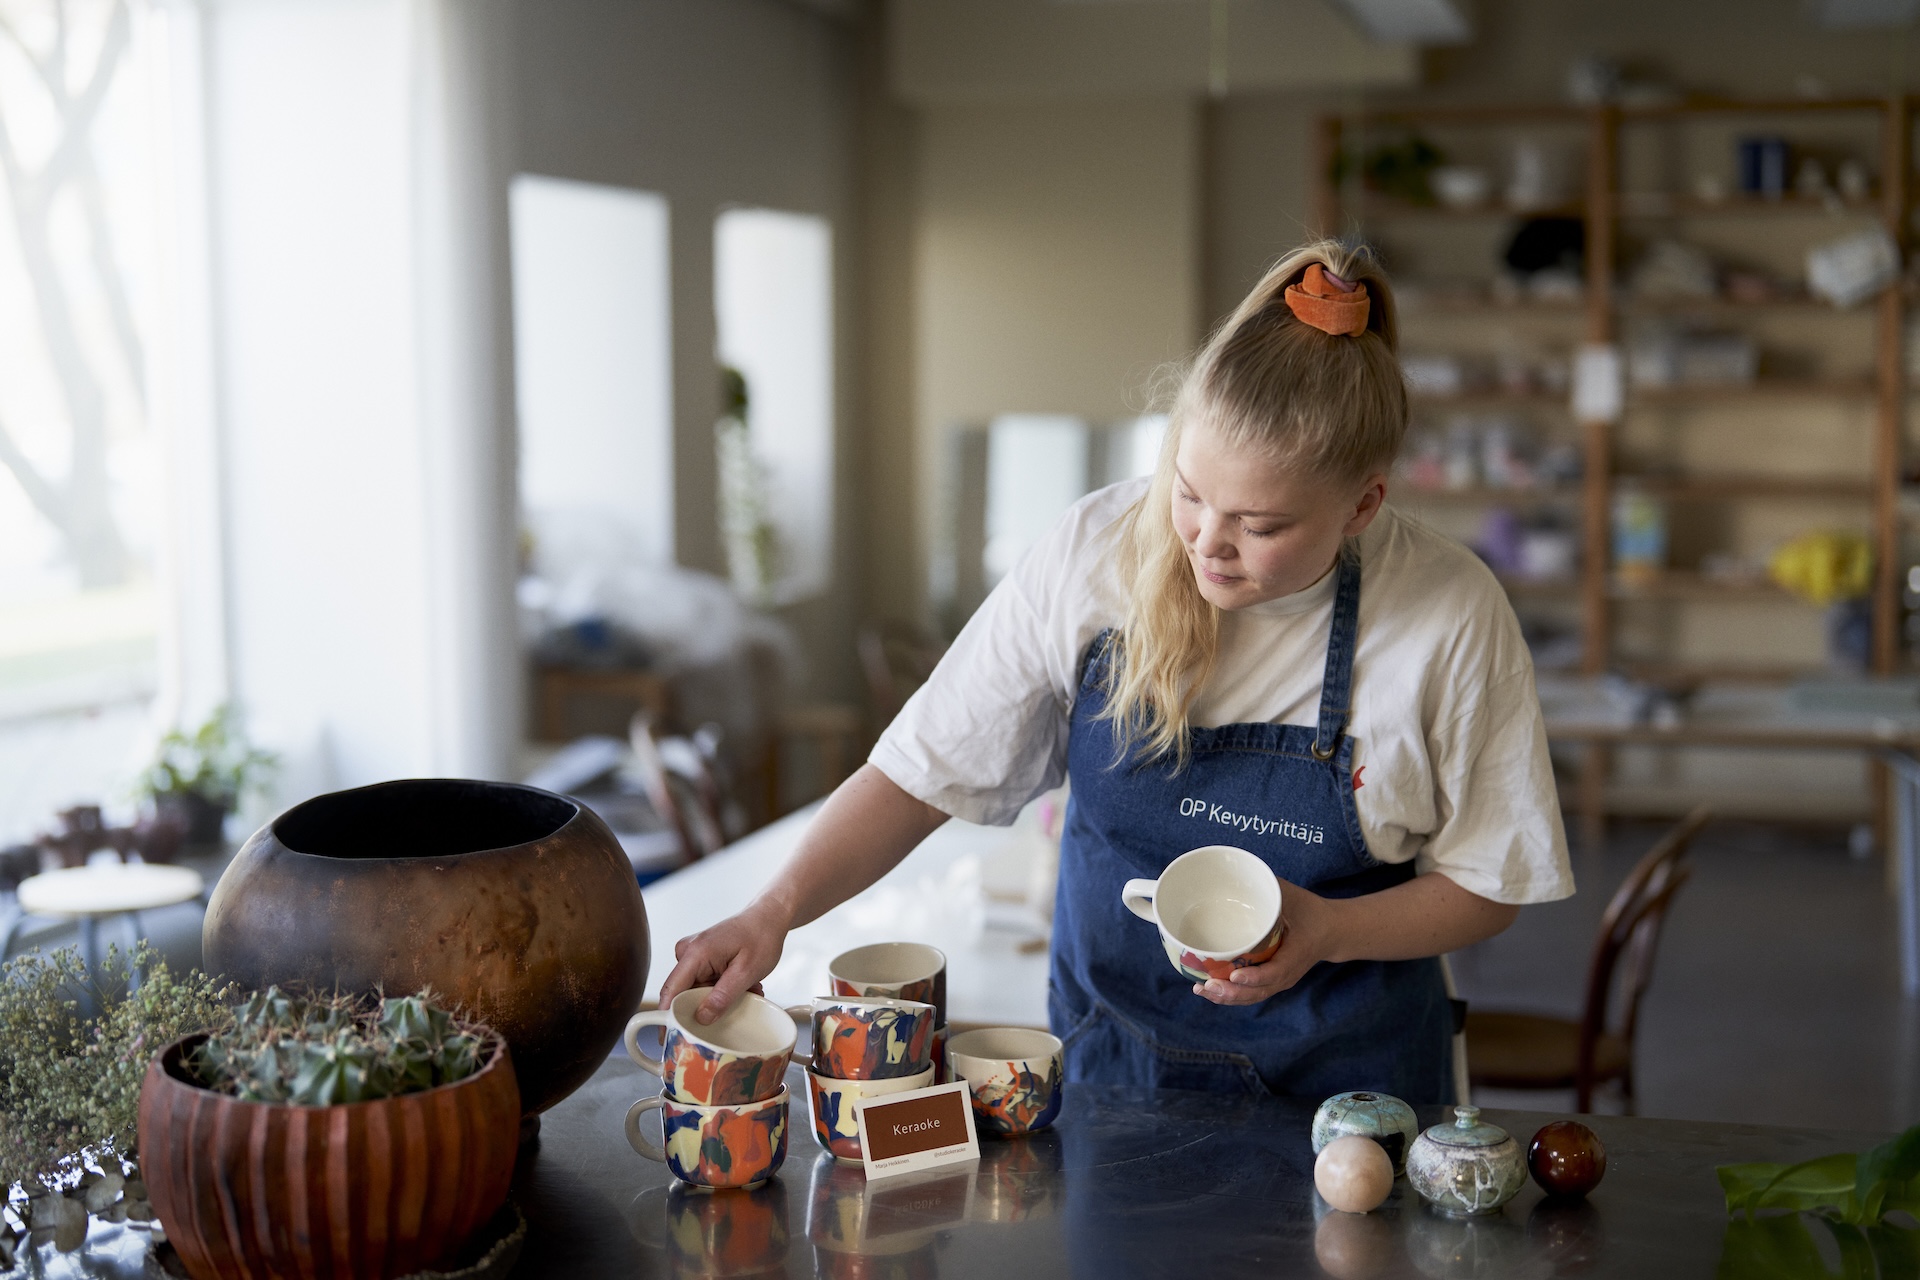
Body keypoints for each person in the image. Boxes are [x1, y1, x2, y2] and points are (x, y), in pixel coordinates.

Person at [661, 240, 1574, 1103]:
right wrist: (772, 911)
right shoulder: (1096, 553)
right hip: (1115, 1074)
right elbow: (920, 772)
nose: (1207, 543)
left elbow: (1490, 885)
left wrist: (1330, 930)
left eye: (1259, 526)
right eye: (1189, 492)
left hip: (1351, 1092)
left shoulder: (1447, 613)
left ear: (1363, 505)